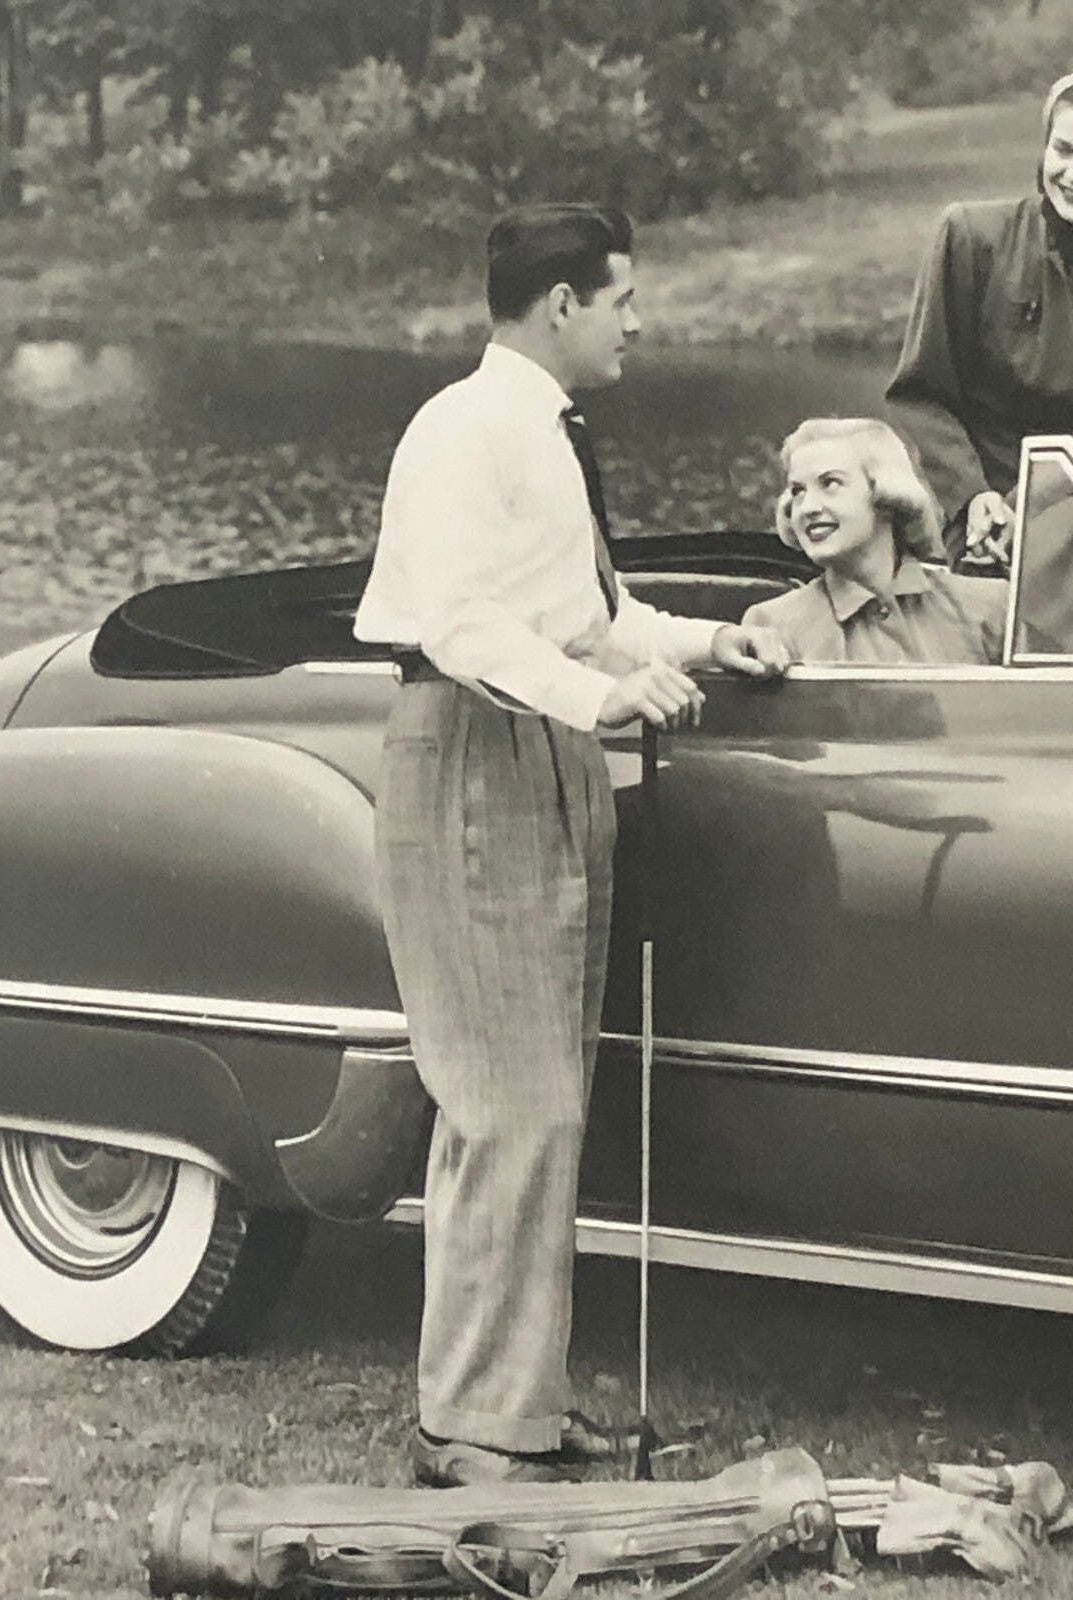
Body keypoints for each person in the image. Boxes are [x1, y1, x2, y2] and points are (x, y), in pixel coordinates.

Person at [352, 205, 792, 1489]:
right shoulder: (461, 431)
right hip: (477, 751)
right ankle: (471, 1430)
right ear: (558, 304)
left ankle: (515, 1409)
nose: (636, 321)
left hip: (542, 751)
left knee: (545, 1101)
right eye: (620, 299)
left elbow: (589, 619)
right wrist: (600, 701)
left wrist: (712, 644)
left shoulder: (544, 433)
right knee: (508, 1105)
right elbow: (460, 625)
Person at [885, 73, 1073, 567]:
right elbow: (921, 394)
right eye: (1064, 150)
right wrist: (973, 497)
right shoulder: (972, 237)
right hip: (988, 521)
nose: (1072, 173)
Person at [742, 417, 1006, 664]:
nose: (807, 507)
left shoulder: (989, 607)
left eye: (830, 483)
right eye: (798, 491)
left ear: (887, 497)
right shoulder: (772, 625)